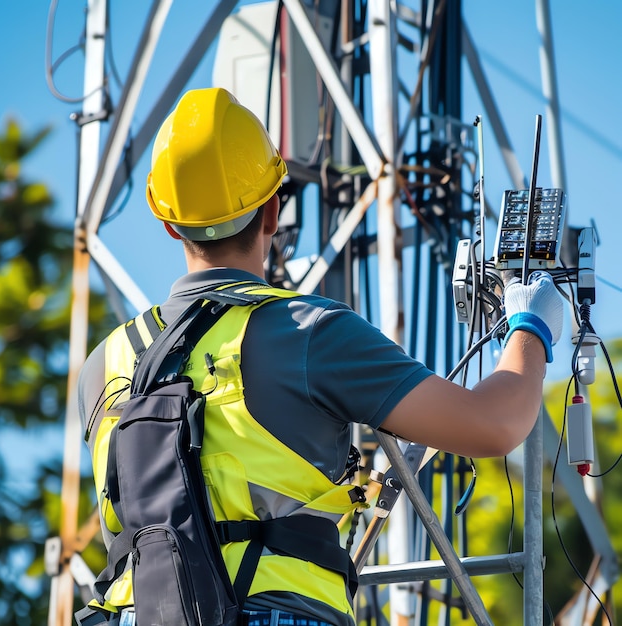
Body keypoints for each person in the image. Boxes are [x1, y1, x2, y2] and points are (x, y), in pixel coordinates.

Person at [78, 87, 564, 626]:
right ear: (272, 211)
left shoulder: (104, 362)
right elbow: (493, 425)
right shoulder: (309, 332)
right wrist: (531, 325)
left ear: (168, 223)